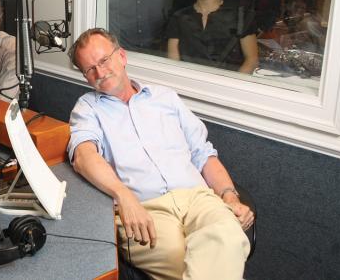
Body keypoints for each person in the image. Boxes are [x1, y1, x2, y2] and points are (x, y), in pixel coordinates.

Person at [67, 28, 254, 280]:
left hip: (198, 198)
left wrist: (230, 196)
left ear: (121, 57)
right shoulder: (88, 108)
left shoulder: (165, 98)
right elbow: (83, 156)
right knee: (187, 257)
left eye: (104, 60)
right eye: (90, 69)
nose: (100, 72)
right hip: (144, 209)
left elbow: (203, 154)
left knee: (229, 235)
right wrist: (124, 195)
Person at [167, 0, 259, 74]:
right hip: (188, 86)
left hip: (228, 89)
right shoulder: (178, 18)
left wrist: (229, 88)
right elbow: (173, 63)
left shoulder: (242, 16)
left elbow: (252, 60)